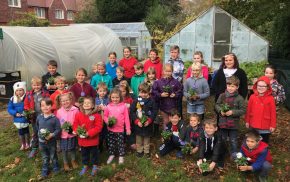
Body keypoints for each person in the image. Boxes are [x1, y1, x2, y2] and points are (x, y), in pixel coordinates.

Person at [215, 76, 246, 154]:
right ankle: (222, 153)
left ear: (237, 87)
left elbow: (243, 110)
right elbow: (217, 105)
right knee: (223, 138)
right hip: (223, 122)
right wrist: (220, 110)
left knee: (233, 140)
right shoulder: (222, 96)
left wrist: (232, 112)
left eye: (233, 86)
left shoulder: (239, 98)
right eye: (229, 86)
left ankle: (234, 154)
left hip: (234, 123)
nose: (230, 88)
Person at [73, 97, 103, 176]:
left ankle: (95, 166)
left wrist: (88, 133)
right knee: (84, 154)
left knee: (94, 154)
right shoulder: (79, 114)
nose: (86, 104)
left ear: (93, 105)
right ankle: (85, 166)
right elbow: (75, 124)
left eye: (88, 103)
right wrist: (77, 131)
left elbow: (98, 127)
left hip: (93, 140)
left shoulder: (96, 115)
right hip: (82, 140)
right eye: (84, 103)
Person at [24, 76, 50, 158]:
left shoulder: (45, 93)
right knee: (35, 132)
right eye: (34, 85)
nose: (36, 87)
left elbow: (49, 102)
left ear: (41, 85)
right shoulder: (29, 94)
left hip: (43, 116)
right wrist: (29, 110)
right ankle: (34, 148)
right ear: (32, 85)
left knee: (45, 131)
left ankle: (47, 147)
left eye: (38, 85)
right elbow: (26, 105)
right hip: (34, 117)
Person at [245, 76, 276, 144]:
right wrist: (247, 121)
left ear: (267, 87)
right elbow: (248, 110)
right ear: (256, 86)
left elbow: (273, 113)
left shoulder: (270, 98)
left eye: (263, 86)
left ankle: (263, 154)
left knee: (263, 143)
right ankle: (252, 153)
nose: (260, 88)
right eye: (259, 85)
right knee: (253, 142)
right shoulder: (252, 97)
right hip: (253, 124)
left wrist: (272, 125)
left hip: (265, 125)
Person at [104, 88, 131, 164]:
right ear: (110, 97)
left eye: (117, 97)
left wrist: (128, 128)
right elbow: (105, 116)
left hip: (120, 129)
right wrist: (108, 121)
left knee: (120, 143)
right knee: (111, 143)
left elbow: (126, 118)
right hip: (111, 129)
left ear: (120, 97)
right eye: (113, 97)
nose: (115, 99)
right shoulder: (108, 106)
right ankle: (111, 154)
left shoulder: (124, 106)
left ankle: (121, 156)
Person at [130, 83, 157, 158]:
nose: (143, 94)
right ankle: (139, 151)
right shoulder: (136, 101)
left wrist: (149, 120)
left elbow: (154, 112)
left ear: (149, 92)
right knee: (138, 138)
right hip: (138, 123)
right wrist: (136, 121)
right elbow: (132, 111)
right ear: (139, 92)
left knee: (146, 138)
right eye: (141, 92)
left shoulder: (152, 101)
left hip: (147, 124)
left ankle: (146, 151)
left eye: (145, 92)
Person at [152, 63, 183, 129]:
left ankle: (174, 136)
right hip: (163, 106)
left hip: (173, 106)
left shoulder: (176, 82)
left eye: (169, 71)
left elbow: (180, 92)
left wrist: (175, 95)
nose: (168, 73)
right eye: (166, 71)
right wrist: (160, 95)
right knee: (166, 121)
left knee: (173, 121)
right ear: (163, 71)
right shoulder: (158, 82)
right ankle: (165, 136)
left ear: (172, 71)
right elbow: (154, 92)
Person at [36, 98, 61, 177]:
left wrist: (52, 135)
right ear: (40, 107)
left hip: (51, 141)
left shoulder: (54, 118)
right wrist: (40, 135)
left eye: (47, 105)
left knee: (53, 155)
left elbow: (58, 129)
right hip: (41, 142)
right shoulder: (39, 117)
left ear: (51, 106)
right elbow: (37, 126)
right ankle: (45, 169)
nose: (45, 107)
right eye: (43, 105)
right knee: (45, 157)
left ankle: (56, 167)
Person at [56, 92, 79, 171]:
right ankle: (65, 163)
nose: (65, 102)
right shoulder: (59, 111)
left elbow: (78, 120)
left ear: (71, 100)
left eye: (67, 100)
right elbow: (58, 122)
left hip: (73, 133)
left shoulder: (75, 109)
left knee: (72, 148)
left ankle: (73, 160)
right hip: (63, 134)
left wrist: (74, 129)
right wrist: (64, 127)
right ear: (60, 102)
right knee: (64, 149)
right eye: (63, 101)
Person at [7, 82, 30, 150]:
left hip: (25, 117)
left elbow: (28, 106)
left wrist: (26, 112)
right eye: (17, 90)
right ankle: (23, 144)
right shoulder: (12, 99)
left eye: (20, 90)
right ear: (15, 91)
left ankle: (28, 143)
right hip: (17, 118)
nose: (19, 92)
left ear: (24, 90)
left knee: (26, 131)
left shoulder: (26, 97)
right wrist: (15, 113)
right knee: (20, 132)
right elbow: (9, 108)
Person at [167, 45, 184, 117]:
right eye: (172, 52)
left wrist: (174, 85)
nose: (173, 54)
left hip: (177, 86)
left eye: (175, 52)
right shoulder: (168, 61)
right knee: (170, 105)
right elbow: (166, 73)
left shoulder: (180, 62)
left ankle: (179, 120)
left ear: (178, 53)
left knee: (178, 105)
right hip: (168, 86)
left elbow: (180, 76)